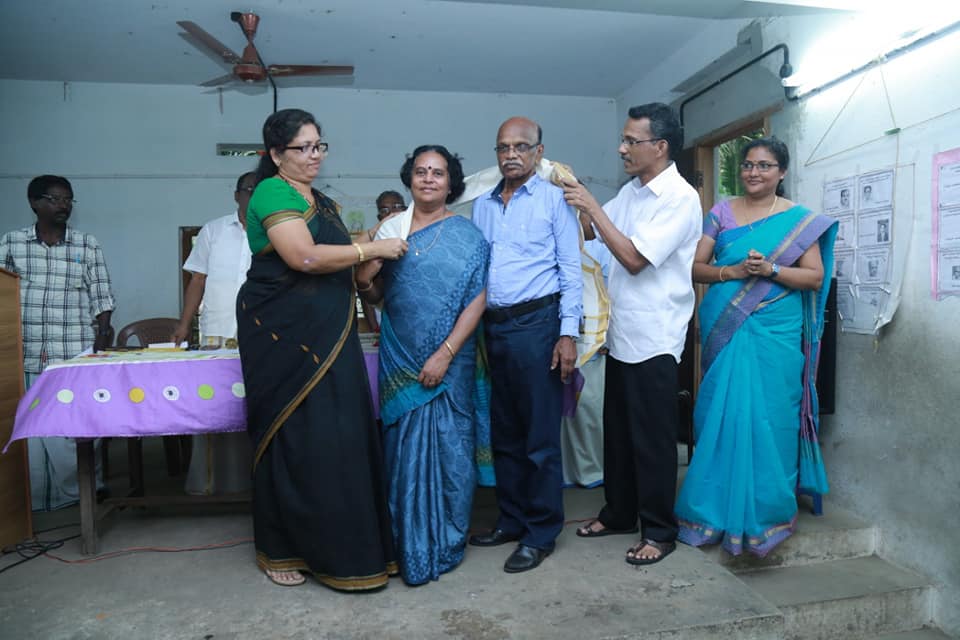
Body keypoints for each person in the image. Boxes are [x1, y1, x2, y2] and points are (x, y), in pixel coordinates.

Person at [236, 108, 407, 589]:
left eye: (319, 146)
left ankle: (345, 548)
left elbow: (339, 246)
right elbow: (305, 256)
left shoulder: (321, 201)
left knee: (339, 433)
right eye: (304, 148)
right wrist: (372, 250)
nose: (315, 156)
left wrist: (382, 230)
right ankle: (281, 549)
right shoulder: (272, 192)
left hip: (330, 332)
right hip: (281, 334)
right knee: (294, 433)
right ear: (276, 154)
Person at [673, 137, 837, 557]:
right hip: (727, 324)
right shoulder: (720, 213)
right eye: (748, 165)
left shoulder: (798, 221)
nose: (753, 172)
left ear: (782, 172)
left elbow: (814, 278)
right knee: (721, 412)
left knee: (771, 415)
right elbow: (695, 268)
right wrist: (732, 272)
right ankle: (711, 512)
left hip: (776, 330)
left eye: (764, 165)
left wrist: (771, 269)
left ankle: (766, 513)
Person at [561, 103, 701, 565]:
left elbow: (634, 258)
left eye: (630, 141)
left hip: (655, 338)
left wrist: (591, 205)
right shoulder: (632, 193)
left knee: (653, 441)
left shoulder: (679, 198)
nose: (622, 148)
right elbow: (592, 232)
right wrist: (568, 192)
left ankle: (659, 531)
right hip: (621, 335)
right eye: (622, 140)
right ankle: (619, 513)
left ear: (659, 147)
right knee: (618, 436)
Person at [356, 145, 489, 585]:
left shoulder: (468, 236)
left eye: (438, 172)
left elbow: (478, 299)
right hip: (401, 356)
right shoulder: (390, 229)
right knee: (401, 451)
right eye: (420, 171)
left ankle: (447, 541)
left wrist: (445, 352)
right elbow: (376, 294)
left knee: (452, 449)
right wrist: (365, 278)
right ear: (409, 179)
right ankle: (405, 543)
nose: (428, 179)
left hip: (451, 360)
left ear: (451, 183)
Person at [468, 117, 582, 573]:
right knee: (506, 434)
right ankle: (511, 521)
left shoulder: (555, 200)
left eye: (521, 146)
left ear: (538, 152)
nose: (511, 154)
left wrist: (567, 334)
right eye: (503, 147)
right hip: (494, 329)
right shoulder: (482, 205)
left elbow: (570, 270)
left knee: (539, 438)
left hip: (539, 326)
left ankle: (540, 533)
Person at [1, 175, 116, 511]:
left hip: (73, 352)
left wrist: (102, 337)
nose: (63, 205)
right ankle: (37, 498)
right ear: (34, 203)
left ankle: (83, 491)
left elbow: (102, 294)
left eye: (68, 199)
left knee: (75, 426)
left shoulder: (86, 244)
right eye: (55, 199)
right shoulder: (12, 243)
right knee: (33, 430)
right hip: (27, 351)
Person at [171, 171, 256, 496]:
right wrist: (183, 324)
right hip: (217, 333)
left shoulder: (275, 232)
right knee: (215, 405)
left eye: (259, 190)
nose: (253, 196)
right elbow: (198, 280)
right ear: (236, 195)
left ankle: (255, 483)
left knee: (255, 405)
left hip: (261, 334)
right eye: (248, 190)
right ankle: (210, 483)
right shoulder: (213, 231)